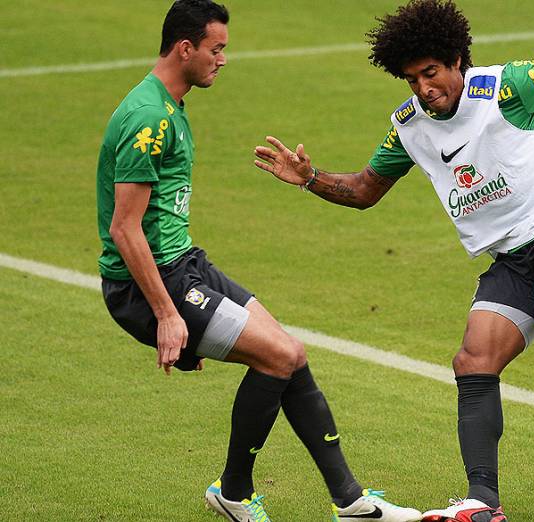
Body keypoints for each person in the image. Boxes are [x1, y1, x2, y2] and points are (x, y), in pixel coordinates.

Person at [254, 0, 534, 520]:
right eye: (411, 79)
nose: (424, 88)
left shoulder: (507, 86)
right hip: (512, 256)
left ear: (457, 60)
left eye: (431, 72)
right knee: (474, 359)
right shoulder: (409, 127)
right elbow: (365, 190)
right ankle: (484, 502)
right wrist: (311, 179)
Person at [95, 2, 422, 521]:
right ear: (186, 48)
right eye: (216, 48)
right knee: (277, 356)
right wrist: (168, 315)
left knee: (292, 353)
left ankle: (352, 502)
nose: (222, 59)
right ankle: (234, 492)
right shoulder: (149, 119)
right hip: (148, 285)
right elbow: (124, 228)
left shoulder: (166, 106)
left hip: (185, 264)